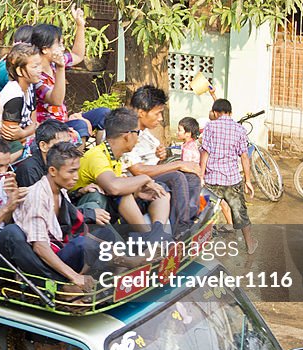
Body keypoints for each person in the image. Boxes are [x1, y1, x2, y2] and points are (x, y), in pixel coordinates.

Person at [0, 142, 108, 290]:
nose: (76, 177)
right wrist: (75, 277)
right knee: (83, 244)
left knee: (101, 234)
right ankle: (69, 285)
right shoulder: (37, 196)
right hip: (39, 264)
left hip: (57, 248)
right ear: (53, 170)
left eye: (77, 171)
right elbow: (40, 247)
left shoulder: (61, 191)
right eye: (71, 172)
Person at [122, 86, 202, 232]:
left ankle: (189, 219)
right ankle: (181, 229)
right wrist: (178, 164)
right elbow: (137, 170)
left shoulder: (145, 134)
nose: (161, 119)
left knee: (192, 178)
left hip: (148, 178)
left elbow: (151, 163)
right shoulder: (126, 133)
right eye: (158, 113)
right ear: (141, 112)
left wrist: (159, 157)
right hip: (133, 184)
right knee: (177, 177)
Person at [75, 107, 170, 230]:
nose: (138, 138)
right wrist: (145, 179)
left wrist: (138, 193)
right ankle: (148, 237)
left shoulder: (116, 157)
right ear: (127, 136)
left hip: (109, 211)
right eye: (137, 133)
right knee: (123, 192)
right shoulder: (96, 156)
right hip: (86, 214)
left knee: (159, 192)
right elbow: (114, 187)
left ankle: (158, 232)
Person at [200, 98, 257, 254]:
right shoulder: (239, 129)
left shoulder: (210, 126)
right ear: (230, 113)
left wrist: (201, 175)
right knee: (240, 213)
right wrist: (248, 180)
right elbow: (244, 157)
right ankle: (250, 244)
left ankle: (200, 245)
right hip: (232, 180)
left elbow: (205, 153)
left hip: (212, 180)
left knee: (205, 213)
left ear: (215, 113)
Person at [0, 43, 43, 143]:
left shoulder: (30, 86)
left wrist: (24, 133)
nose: (40, 70)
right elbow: (10, 137)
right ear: (19, 71)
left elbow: (34, 122)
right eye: (35, 67)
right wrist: (28, 132)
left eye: (40, 65)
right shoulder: (14, 96)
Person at [14, 119, 74, 187]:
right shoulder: (29, 170)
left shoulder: (61, 163)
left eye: (68, 143)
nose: (67, 148)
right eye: (61, 144)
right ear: (43, 146)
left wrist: (80, 191)